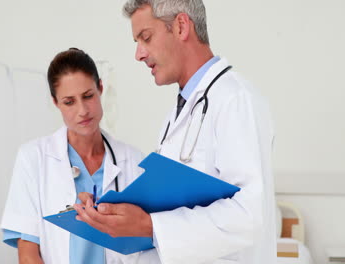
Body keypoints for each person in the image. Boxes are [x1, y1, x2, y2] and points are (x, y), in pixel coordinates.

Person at [74, 1, 277, 263]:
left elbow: (248, 215)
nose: (138, 54)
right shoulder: (179, 114)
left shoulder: (235, 99)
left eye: (145, 37)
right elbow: (175, 210)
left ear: (181, 26)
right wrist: (112, 213)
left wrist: (149, 225)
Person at [0, 48, 145, 264]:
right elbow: (28, 253)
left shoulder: (133, 161)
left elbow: (146, 242)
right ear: (55, 102)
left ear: (100, 89)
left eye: (88, 96)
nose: (82, 110)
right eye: (69, 102)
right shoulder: (33, 159)